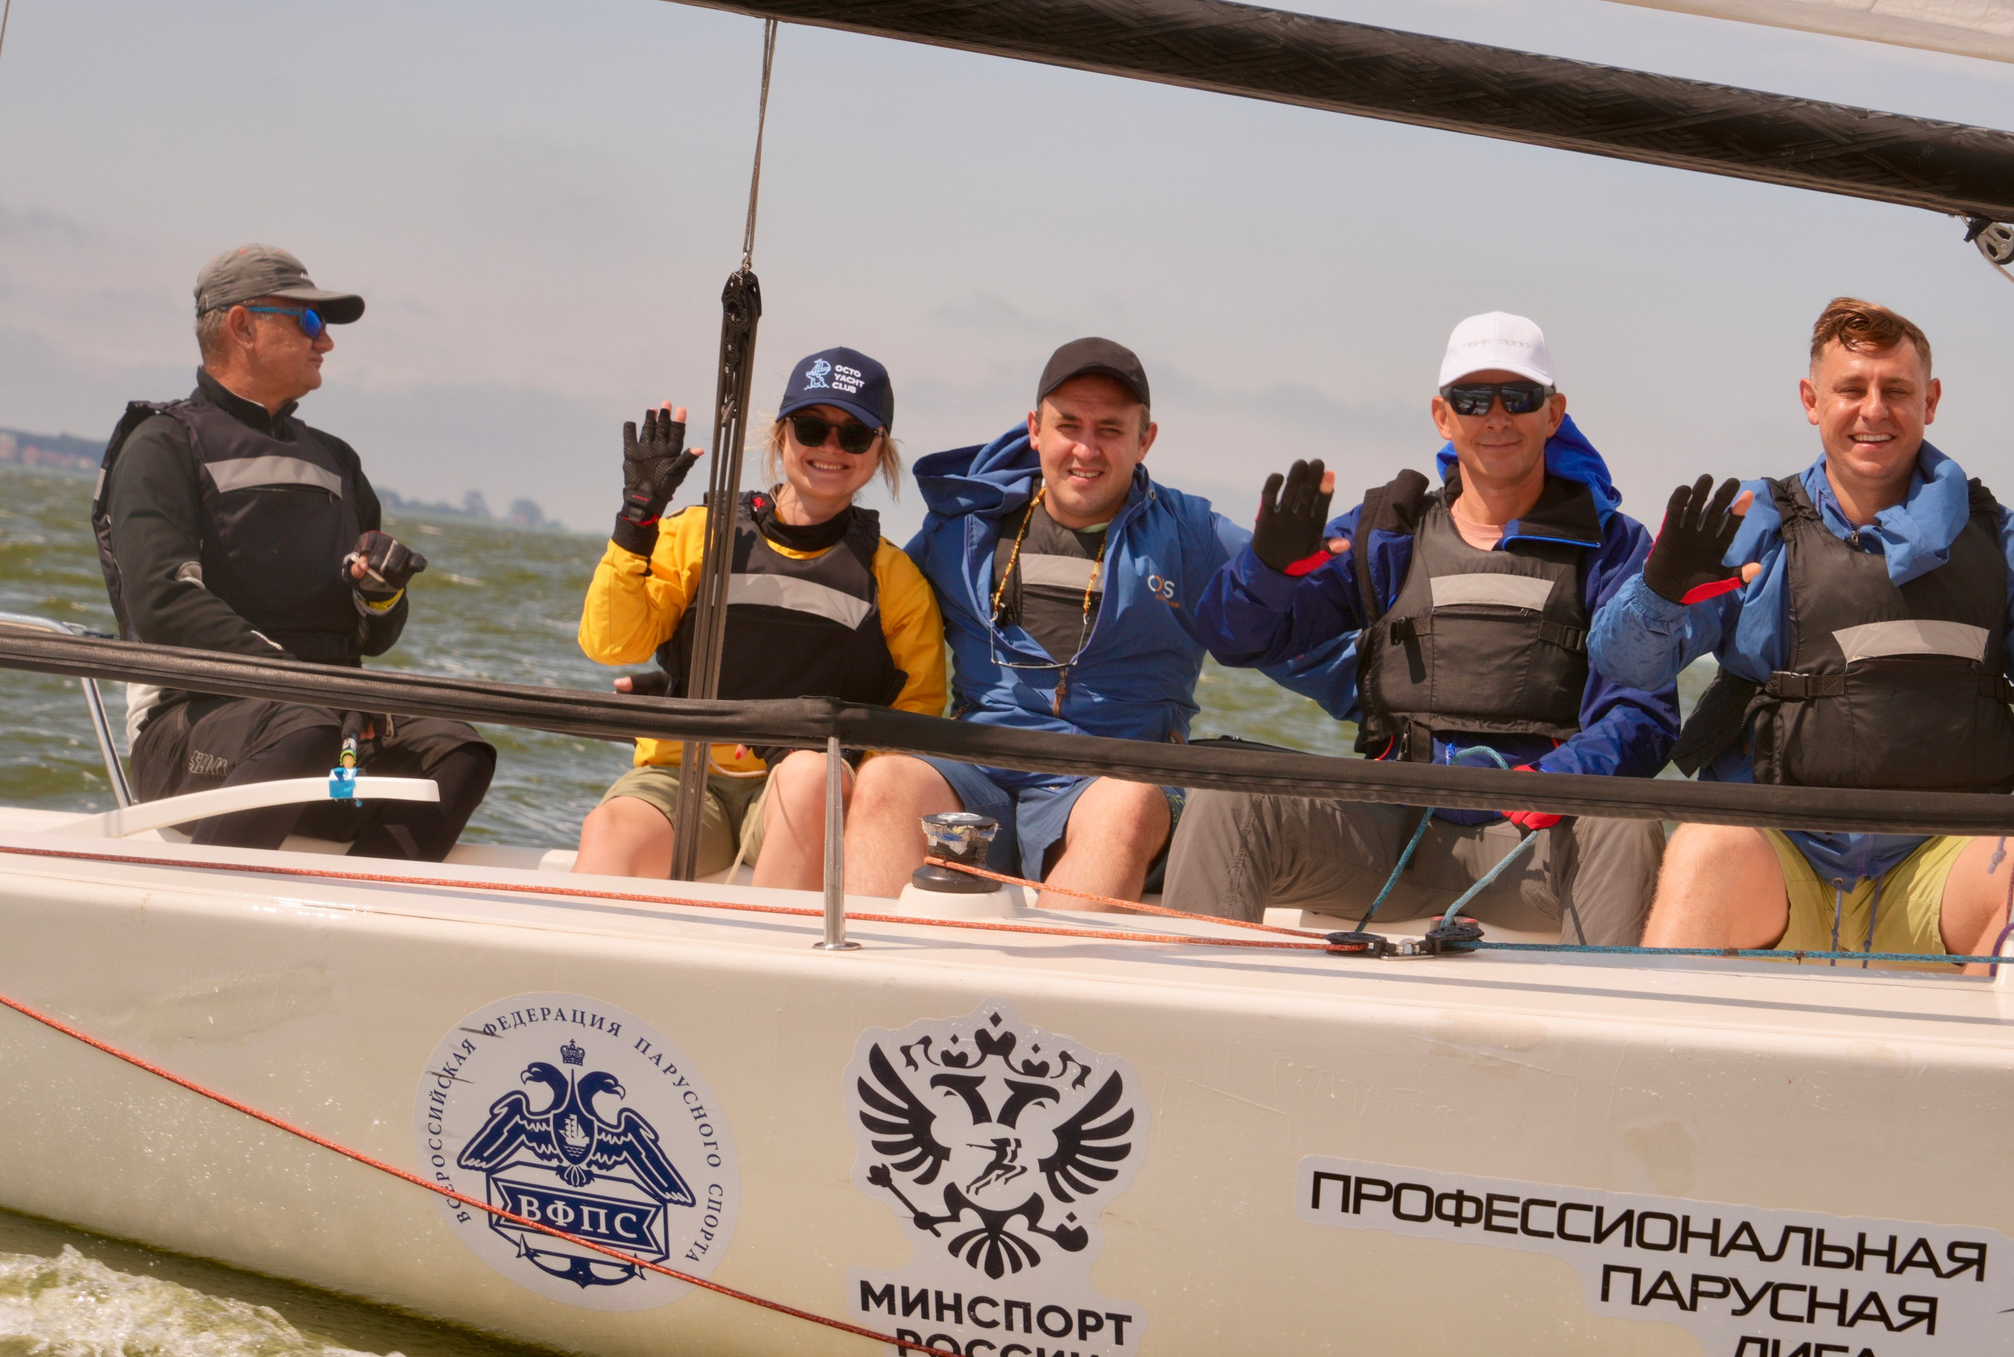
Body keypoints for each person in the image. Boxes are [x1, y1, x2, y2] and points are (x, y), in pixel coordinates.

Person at [1589, 296, 2014, 967]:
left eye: (1896, 390)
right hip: (1781, 858)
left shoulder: (1997, 538)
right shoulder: (1752, 523)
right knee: (1704, 844)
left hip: (1940, 865)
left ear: (1930, 401)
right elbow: (1624, 667)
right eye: (1851, 389)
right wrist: (1657, 596)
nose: (1874, 410)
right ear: (1812, 401)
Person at [1165, 312, 1673, 940]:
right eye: (1472, 399)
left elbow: (1642, 715)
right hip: (1388, 831)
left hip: (1531, 848)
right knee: (1228, 791)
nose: (1496, 417)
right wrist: (1265, 572)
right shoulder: (1387, 534)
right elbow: (1236, 640)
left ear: (1553, 413)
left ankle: (1597, 1003)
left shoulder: (1614, 549)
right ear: (1442, 415)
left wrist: (1560, 781)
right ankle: (1196, 990)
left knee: (1626, 824)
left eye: (1518, 397)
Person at [843, 337, 1347, 906]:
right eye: (1068, 426)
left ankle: (1058, 966)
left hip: (1115, 782)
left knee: (1126, 804)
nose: (1086, 449)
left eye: (1109, 429)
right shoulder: (960, 527)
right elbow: (876, 623)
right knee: (884, 779)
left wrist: (1392, 711)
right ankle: (876, 963)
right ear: (1035, 429)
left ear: (1144, 440)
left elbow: (1296, 634)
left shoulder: (1194, 535)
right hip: (977, 773)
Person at [92, 244, 495, 857]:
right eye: (309, 320)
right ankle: (201, 903)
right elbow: (163, 603)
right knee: (301, 725)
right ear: (242, 326)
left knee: (458, 748)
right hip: (190, 728)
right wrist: (312, 691)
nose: (325, 340)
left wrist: (381, 594)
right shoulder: (162, 444)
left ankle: (357, 908)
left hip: (325, 722)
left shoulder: (337, 460)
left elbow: (374, 639)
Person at [574, 347, 947, 883]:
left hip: (802, 798)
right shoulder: (698, 533)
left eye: (854, 435)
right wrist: (637, 524)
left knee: (812, 774)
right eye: (811, 428)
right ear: (781, 434)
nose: (831, 448)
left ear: (879, 448)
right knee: (610, 829)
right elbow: (611, 645)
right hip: (683, 776)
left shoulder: (896, 580)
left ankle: (767, 935)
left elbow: (914, 719)